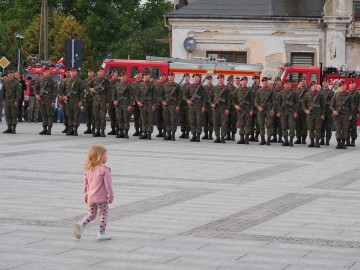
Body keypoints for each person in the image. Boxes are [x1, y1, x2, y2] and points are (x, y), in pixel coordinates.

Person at [74, 145, 113, 241]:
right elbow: (108, 185)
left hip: (91, 197)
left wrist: (85, 195)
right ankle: (101, 233)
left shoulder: (88, 170)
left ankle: (81, 224)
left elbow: (85, 184)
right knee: (103, 214)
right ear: (100, 156)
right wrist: (110, 195)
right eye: (105, 154)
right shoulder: (104, 170)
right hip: (102, 198)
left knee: (91, 214)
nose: (106, 156)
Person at [183, 73, 206, 142]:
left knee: (199, 121)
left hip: (199, 106)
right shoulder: (189, 87)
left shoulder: (202, 87)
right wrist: (188, 100)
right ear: (193, 78)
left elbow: (205, 98)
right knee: (192, 120)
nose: (196, 78)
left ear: (199, 78)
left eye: (197, 77)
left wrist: (203, 106)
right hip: (191, 106)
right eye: (195, 77)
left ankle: (198, 135)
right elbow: (184, 95)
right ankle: (193, 135)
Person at [88, 67, 110, 137]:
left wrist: (108, 102)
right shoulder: (94, 79)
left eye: (101, 71)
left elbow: (109, 92)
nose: (100, 72)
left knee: (103, 116)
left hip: (103, 101)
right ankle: (97, 130)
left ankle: (102, 131)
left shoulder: (106, 81)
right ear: (97, 72)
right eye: (99, 71)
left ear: (103, 72)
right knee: (96, 116)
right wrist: (91, 89)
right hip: (96, 101)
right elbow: (86, 85)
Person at [35, 67, 58, 135]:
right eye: (45, 71)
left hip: (49, 100)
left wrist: (53, 101)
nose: (46, 73)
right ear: (43, 72)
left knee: (49, 114)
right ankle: (44, 128)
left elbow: (55, 91)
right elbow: (36, 89)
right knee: (43, 114)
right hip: (41, 100)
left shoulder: (52, 81)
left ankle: (49, 129)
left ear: (49, 72)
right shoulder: (40, 80)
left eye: (48, 71)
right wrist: (36, 95)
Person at [330, 80, 353, 149]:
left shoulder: (348, 95)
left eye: (344, 86)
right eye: (342, 86)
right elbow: (331, 105)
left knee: (345, 129)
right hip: (338, 115)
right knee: (338, 129)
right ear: (339, 87)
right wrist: (334, 111)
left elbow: (351, 106)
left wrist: (351, 114)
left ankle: (343, 143)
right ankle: (338, 143)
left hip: (346, 115)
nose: (343, 87)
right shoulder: (336, 95)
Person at [277, 79, 299, 146]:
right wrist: (278, 111)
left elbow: (297, 103)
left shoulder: (294, 93)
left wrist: (296, 111)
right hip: (283, 112)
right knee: (283, 126)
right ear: (284, 85)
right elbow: (278, 103)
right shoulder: (280, 93)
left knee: (291, 126)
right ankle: (286, 140)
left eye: (288, 84)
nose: (287, 85)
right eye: (286, 84)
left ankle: (291, 140)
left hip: (291, 112)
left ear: (290, 85)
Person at [209, 74, 230, 143]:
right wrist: (212, 103)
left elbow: (229, 99)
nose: (220, 80)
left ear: (223, 79)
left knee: (224, 123)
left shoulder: (226, 88)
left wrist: (227, 108)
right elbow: (210, 98)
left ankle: (223, 137)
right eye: (219, 79)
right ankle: (217, 136)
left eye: (221, 78)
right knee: (216, 122)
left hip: (223, 108)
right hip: (215, 108)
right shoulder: (214, 88)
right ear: (217, 80)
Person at [112, 71, 134, 138]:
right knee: (119, 118)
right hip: (118, 104)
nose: (122, 78)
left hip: (126, 104)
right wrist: (114, 101)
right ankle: (120, 132)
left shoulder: (129, 85)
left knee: (126, 118)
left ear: (126, 77)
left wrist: (130, 105)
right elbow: (114, 94)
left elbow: (132, 96)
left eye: (124, 76)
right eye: (121, 76)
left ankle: (126, 133)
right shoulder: (117, 84)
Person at [63, 68, 84, 136]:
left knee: (76, 115)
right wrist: (64, 96)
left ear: (76, 73)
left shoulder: (79, 81)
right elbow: (62, 90)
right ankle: (70, 129)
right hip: (69, 101)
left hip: (76, 100)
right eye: (71, 71)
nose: (72, 73)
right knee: (69, 115)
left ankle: (75, 130)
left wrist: (81, 101)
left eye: (74, 71)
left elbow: (82, 92)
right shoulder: (66, 81)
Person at [254, 77, 276, 145]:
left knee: (269, 125)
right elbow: (255, 101)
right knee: (261, 125)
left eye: (266, 81)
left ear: (267, 82)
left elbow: (274, 101)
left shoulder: (271, 91)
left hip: (268, 110)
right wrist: (258, 107)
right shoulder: (259, 91)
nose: (264, 82)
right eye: (263, 81)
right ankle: (262, 139)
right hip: (261, 110)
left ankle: (268, 139)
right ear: (262, 82)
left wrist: (272, 110)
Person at [136, 71, 157, 140]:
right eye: (144, 75)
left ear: (149, 76)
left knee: (150, 119)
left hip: (150, 103)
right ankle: (144, 133)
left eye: (147, 75)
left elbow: (155, 95)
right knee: (143, 119)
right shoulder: (140, 85)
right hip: (142, 104)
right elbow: (137, 95)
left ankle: (149, 134)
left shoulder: (152, 85)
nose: (145, 76)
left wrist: (154, 105)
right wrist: (138, 102)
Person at [303, 82, 324, 148]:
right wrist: (306, 110)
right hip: (310, 114)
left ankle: (317, 142)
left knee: (318, 128)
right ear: (310, 87)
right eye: (313, 85)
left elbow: (323, 105)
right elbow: (303, 104)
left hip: (318, 114)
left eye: (315, 85)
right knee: (311, 128)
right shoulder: (307, 94)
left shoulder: (320, 94)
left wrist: (323, 114)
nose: (314, 87)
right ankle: (312, 141)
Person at [161, 72, 180, 141]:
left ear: (174, 77)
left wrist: (178, 105)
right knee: (167, 120)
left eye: (172, 76)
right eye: (169, 75)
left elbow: (179, 97)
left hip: (173, 105)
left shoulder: (177, 86)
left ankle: (173, 135)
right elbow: (160, 95)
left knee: (173, 120)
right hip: (166, 106)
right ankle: (168, 134)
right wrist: (163, 101)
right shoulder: (164, 85)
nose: (170, 77)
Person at [233, 76, 253, 144]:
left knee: (247, 124)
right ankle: (241, 138)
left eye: (246, 81)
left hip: (247, 109)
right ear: (241, 81)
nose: (244, 82)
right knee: (241, 124)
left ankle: (246, 138)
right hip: (240, 110)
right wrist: (236, 105)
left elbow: (252, 101)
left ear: (247, 82)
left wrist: (251, 110)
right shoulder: (237, 90)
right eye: (243, 81)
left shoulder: (249, 90)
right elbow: (233, 99)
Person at [294, 77, 309, 144]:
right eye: (302, 81)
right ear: (299, 82)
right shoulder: (295, 90)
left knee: (304, 125)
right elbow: (293, 101)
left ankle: (303, 139)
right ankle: (298, 138)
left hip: (305, 110)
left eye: (304, 81)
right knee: (297, 125)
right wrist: (294, 111)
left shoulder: (308, 90)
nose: (303, 82)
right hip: (297, 110)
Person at [320, 79, 334, 145]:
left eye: (326, 82)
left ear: (328, 84)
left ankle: (327, 140)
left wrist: (333, 111)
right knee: (321, 126)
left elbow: (334, 102)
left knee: (328, 127)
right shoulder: (319, 92)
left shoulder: (331, 92)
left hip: (329, 111)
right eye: (324, 82)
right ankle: (322, 139)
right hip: (321, 111)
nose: (325, 83)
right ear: (322, 84)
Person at [347, 80, 359, 147]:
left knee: (354, 127)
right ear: (349, 85)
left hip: (354, 112)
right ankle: (347, 141)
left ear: (355, 85)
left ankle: (353, 140)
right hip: (346, 112)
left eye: (353, 84)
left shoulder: (357, 93)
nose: (352, 85)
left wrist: (358, 112)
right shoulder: (346, 92)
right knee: (346, 127)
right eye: (351, 84)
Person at [83, 68, 95, 134]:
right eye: (89, 72)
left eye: (91, 72)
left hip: (93, 100)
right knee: (87, 115)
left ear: (93, 73)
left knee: (93, 115)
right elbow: (82, 90)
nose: (89, 73)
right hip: (86, 100)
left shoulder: (95, 80)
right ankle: (88, 128)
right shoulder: (85, 81)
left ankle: (93, 128)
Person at [59, 68, 71, 133]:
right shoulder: (63, 81)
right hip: (64, 99)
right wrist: (60, 95)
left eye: (69, 72)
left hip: (70, 99)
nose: (67, 73)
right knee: (64, 114)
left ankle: (70, 127)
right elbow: (60, 89)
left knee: (69, 114)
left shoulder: (72, 80)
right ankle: (66, 126)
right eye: (66, 72)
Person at [154, 73, 167, 137]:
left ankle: (165, 131)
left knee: (165, 118)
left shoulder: (167, 84)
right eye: (160, 76)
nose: (161, 77)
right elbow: (154, 94)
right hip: (158, 104)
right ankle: (160, 131)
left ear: (165, 77)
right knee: (158, 118)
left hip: (165, 104)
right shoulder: (156, 84)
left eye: (163, 76)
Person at [272, 77, 284, 143]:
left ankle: (280, 137)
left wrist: (280, 110)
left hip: (280, 109)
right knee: (273, 124)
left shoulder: (283, 89)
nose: (278, 82)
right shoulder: (271, 89)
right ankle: (274, 137)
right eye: (276, 81)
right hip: (273, 109)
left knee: (280, 124)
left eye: (279, 81)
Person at [179, 73, 191, 139]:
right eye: (185, 77)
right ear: (183, 78)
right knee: (182, 119)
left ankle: (187, 133)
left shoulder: (191, 86)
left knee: (188, 119)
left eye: (187, 77)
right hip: (182, 104)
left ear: (189, 78)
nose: (186, 78)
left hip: (188, 105)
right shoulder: (181, 86)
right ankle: (183, 132)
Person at [107, 69, 119, 135]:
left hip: (117, 101)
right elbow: (107, 92)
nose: (114, 75)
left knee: (117, 116)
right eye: (113, 73)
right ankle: (113, 129)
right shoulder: (108, 82)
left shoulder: (119, 81)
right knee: (111, 116)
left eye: (115, 73)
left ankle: (118, 129)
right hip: (110, 101)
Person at [131, 70, 143, 136]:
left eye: (139, 74)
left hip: (142, 103)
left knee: (142, 118)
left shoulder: (143, 83)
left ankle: (142, 130)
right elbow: (131, 94)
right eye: (137, 74)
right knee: (136, 117)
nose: (138, 75)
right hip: (135, 103)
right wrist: (132, 101)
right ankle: (136, 130)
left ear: (141, 75)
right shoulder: (133, 84)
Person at [202, 75, 214, 140]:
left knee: (211, 121)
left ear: (212, 80)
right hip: (205, 107)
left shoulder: (214, 88)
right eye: (207, 79)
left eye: (210, 79)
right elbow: (201, 98)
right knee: (205, 121)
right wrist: (203, 106)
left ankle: (210, 134)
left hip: (211, 107)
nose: (209, 80)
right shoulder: (203, 88)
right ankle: (205, 134)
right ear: (206, 80)